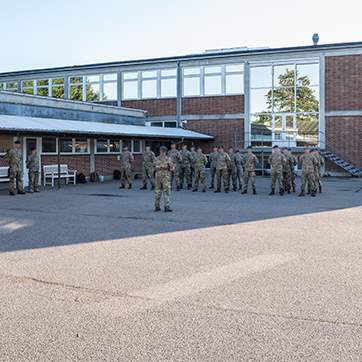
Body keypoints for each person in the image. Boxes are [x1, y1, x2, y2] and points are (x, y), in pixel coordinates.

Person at [154, 146, 175, 212]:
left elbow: (172, 168)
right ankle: (166, 207)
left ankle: (157, 206)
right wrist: (167, 167)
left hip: (159, 176)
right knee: (166, 192)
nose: (162, 153)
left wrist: (171, 168)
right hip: (165, 177)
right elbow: (172, 168)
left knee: (158, 191)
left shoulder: (157, 158)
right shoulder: (167, 159)